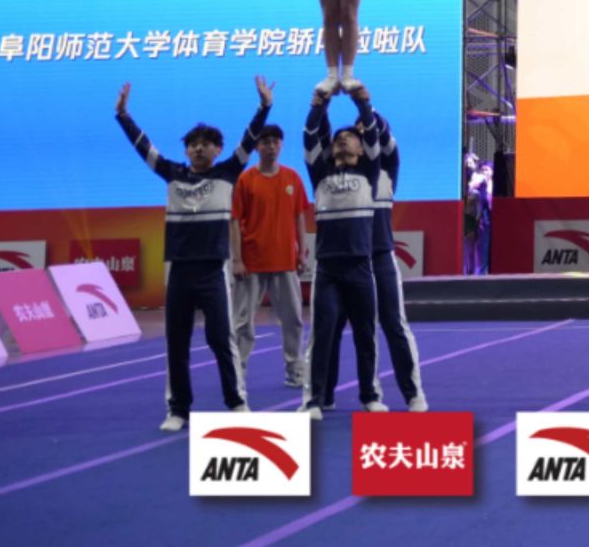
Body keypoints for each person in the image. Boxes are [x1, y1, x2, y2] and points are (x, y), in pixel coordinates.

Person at [116, 77, 271, 431]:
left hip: (214, 271)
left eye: (206, 144)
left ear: (218, 149)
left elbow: (249, 140)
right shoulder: (171, 173)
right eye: (193, 145)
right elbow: (144, 148)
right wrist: (124, 115)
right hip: (179, 272)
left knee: (221, 339)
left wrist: (264, 107)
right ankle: (178, 410)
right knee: (177, 343)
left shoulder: (228, 173)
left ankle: (236, 401)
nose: (199, 149)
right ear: (186, 151)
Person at [300, 84, 387, 420]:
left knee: (365, 335)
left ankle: (370, 396)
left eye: (350, 137)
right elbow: (310, 136)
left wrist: (362, 101)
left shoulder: (369, 171)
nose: (342, 140)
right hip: (327, 270)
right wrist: (318, 105)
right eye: (338, 137)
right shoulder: (320, 174)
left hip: (360, 267)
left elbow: (373, 134)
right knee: (322, 335)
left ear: (362, 148)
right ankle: (316, 399)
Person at [354, 87, 427, 410]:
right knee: (348, 331)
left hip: (381, 257)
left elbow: (383, 135)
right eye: (358, 133)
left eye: (367, 131)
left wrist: (366, 107)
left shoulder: (388, 169)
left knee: (395, 325)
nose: (363, 135)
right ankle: (342, 396)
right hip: (349, 262)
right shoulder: (343, 174)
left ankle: (413, 393)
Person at [229, 121, 310, 392]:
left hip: (285, 262)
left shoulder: (292, 178)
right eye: (265, 142)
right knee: (242, 323)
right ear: (257, 147)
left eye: (275, 142)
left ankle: (294, 371)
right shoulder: (245, 179)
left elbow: (299, 217)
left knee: (293, 320)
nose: (271, 146)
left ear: (281, 145)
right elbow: (234, 221)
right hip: (251, 263)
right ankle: (237, 373)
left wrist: (302, 251)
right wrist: (237, 259)